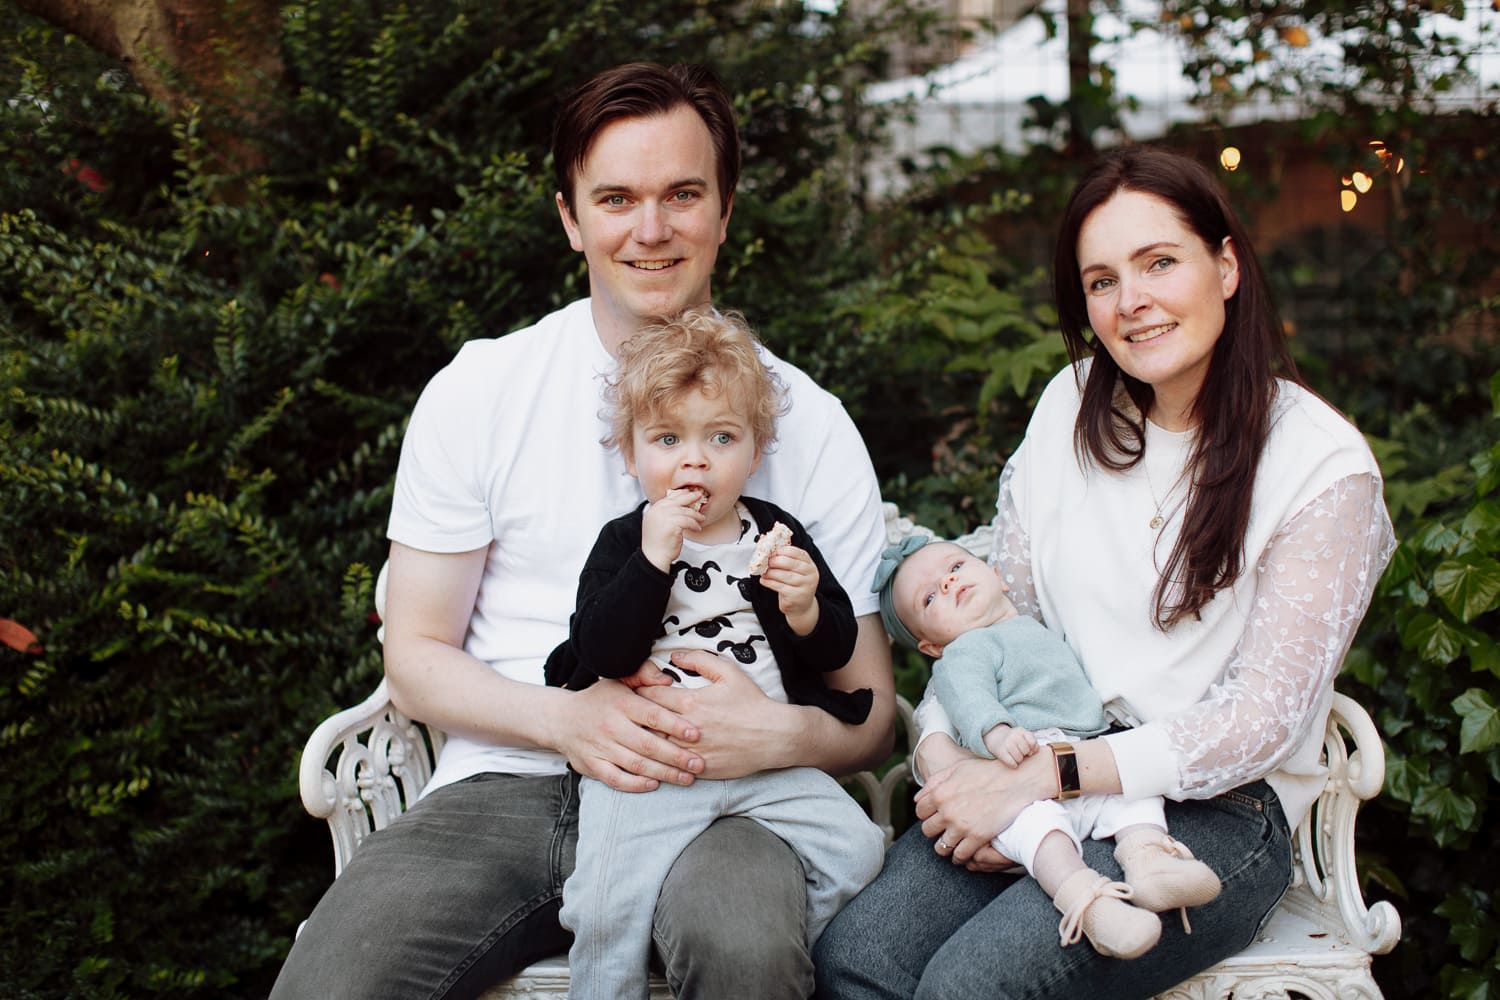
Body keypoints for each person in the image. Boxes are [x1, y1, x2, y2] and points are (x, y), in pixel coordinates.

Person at [271, 62, 895, 1000]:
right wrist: (569, 716)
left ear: (724, 212)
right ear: (571, 218)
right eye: (617, 198)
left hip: (722, 797)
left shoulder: (806, 420)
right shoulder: (483, 390)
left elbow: (871, 711)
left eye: (683, 194)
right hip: (506, 780)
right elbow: (416, 652)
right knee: (333, 985)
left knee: (747, 952)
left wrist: (771, 736)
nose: (652, 229)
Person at [814, 145, 1395, 1000]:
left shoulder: (1319, 468)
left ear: (1226, 266)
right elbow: (999, 618)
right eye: (1101, 280)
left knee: (972, 987)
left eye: (1159, 262)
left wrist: (1037, 779)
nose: (1133, 302)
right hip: (1046, 759)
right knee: (857, 958)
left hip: (1220, 814)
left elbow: (1262, 721)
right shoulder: (1071, 405)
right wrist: (967, 773)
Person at [544, 307, 886, 999]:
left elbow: (836, 646)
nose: (694, 459)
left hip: (764, 763)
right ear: (632, 454)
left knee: (858, 852)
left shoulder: (777, 533)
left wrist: (805, 606)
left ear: (754, 452)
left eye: (720, 437)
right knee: (604, 905)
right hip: (653, 770)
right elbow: (601, 651)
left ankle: (811, 956)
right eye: (668, 438)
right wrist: (652, 562)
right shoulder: (625, 542)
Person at [872, 536, 1220, 960]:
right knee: (1042, 831)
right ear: (931, 647)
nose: (947, 583)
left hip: (1080, 756)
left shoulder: (1034, 628)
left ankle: (1149, 858)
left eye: (956, 567)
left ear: (997, 575)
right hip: (1016, 772)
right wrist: (997, 733)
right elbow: (966, 698)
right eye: (929, 597)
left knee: (1132, 791)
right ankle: (1089, 903)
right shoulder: (965, 650)